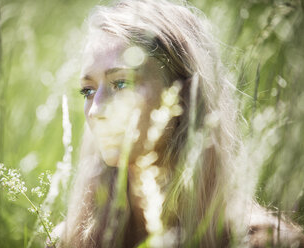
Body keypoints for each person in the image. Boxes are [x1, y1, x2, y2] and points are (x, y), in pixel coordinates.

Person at [51, 0, 304, 247]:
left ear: (184, 94)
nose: (95, 110)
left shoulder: (266, 242)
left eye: (121, 83)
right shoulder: (70, 240)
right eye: (88, 90)